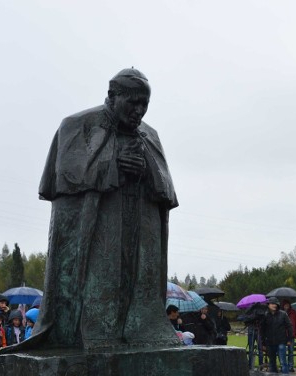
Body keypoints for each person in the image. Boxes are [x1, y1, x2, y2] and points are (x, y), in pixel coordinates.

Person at [22, 68, 180, 352]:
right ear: (112, 96)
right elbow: (66, 175)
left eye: (144, 104)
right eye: (133, 102)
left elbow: (166, 187)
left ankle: (140, 331)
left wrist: (146, 171)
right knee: (100, 284)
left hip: (139, 229)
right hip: (99, 227)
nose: (139, 111)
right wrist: (113, 167)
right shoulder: (77, 125)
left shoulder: (149, 135)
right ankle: (92, 334)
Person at [259, 298, 292, 373]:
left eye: (276, 304)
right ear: (269, 305)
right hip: (270, 342)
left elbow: (289, 326)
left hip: (281, 341)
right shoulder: (265, 315)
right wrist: (263, 342)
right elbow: (262, 330)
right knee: (272, 363)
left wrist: (289, 339)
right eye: (272, 304)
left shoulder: (283, 314)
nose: (274, 305)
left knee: (283, 362)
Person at [281, 300, 296, 373]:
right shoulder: (280, 312)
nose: (286, 306)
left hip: (291, 335)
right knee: (282, 352)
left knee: (291, 352)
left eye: (287, 305)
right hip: (282, 335)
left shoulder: (293, 312)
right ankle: (284, 366)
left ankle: (291, 366)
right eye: (285, 305)